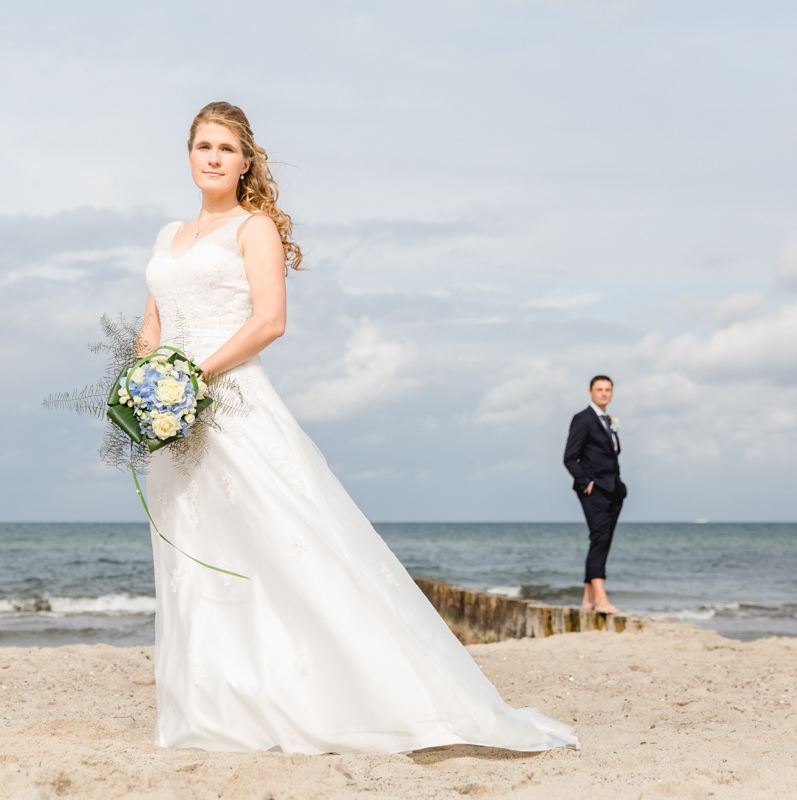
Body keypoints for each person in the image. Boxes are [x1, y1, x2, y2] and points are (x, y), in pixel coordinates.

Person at [134, 102, 577, 755]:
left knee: (282, 546)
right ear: (189, 155)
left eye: (227, 148)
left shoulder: (253, 228)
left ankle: (337, 694)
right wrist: (146, 394)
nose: (213, 157)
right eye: (203, 145)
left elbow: (268, 323)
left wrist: (193, 377)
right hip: (173, 414)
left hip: (231, 404)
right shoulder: (167, 234)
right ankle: (212, 706)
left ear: (245, 160)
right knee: (194, 556)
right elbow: (151, 326)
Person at [563, 375, 626, 614]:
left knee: (603, 540)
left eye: (608, 389)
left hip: (614, 490)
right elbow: (570, 458)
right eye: (599, 389)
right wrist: (587, 483)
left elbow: (612, 455)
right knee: (600, 538)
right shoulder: (583, 419)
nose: (603, 393)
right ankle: (600, 599)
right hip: (594, 490)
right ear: (590, 392)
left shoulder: (609, 420)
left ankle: (588, 600)